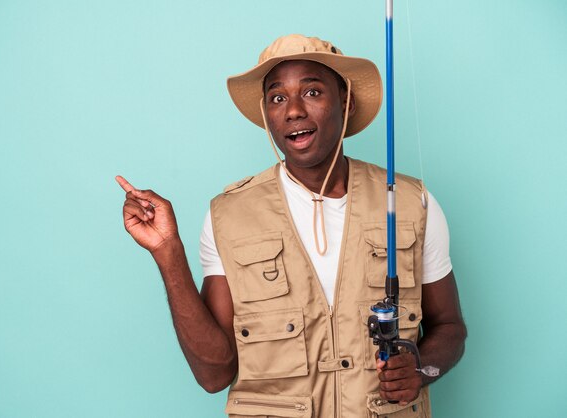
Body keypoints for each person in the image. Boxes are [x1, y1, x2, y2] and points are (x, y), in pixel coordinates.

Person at [116, 34, 466, 418]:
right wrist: (168, 253)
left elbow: (450, 329)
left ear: (345, 101)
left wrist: (420, 369)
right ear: (267, 114)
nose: (294, 110)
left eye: (313, 92)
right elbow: (213, 374)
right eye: (277, 97)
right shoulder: (229, 215)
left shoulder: (411, 204)